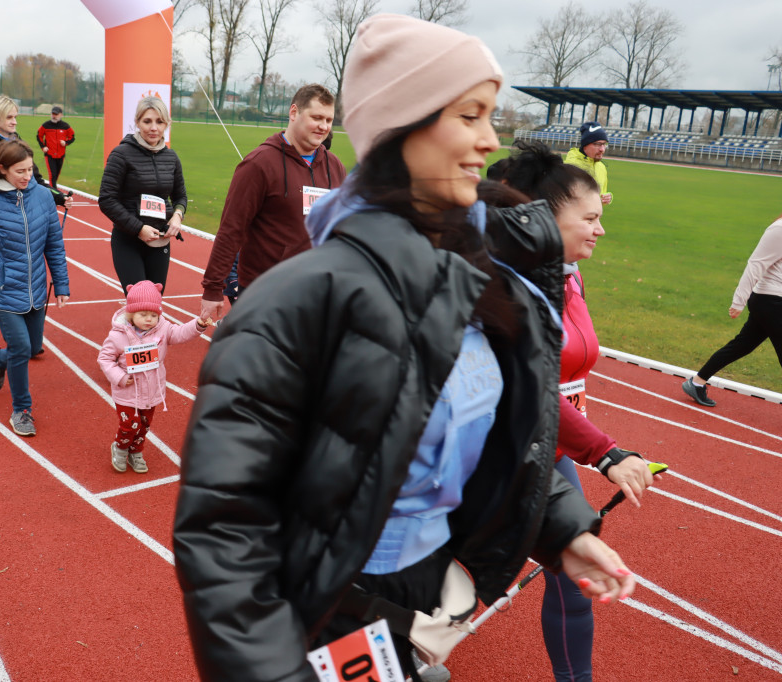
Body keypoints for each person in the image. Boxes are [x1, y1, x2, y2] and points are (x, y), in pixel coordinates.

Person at [173, 14, 635, 682]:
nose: (490, 139)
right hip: (330, 605)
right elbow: (222, 532)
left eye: (491, 116)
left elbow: (505, 429)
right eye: (470, 115)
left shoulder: (481, 276)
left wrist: (560, 529)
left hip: (430, 586)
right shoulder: (296, 303)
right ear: (402, 125)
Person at [495, 142, 655, 682]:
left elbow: (560, 382)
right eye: (589, 217)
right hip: (500, 449)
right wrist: (607, 452)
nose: (600, 229)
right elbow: (529, 391)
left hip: (551, 448)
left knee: (572, 572)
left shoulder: (566, 275)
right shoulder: (504, 290)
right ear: (544, 217)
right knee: (452, 576)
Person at [197, 84, 347, 322]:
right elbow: (231, 229)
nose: (324, 126)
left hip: (316, 291)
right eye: (317, 117)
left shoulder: (334, 166)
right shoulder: (258, 164)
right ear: (294, 113)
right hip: (264, 293)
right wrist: (213, 287)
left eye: (329, 120)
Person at [0, 140, 70, 437]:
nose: (27, 176)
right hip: (3, 289)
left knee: (30, 348)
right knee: (20, 346)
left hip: (35, 289)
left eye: (30, 169)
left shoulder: (44, 197)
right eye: (20, 170)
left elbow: (55, 245)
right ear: (2, 169)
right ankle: (22, 409)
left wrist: (61, 284)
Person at [0, 95, 66, 334]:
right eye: (9, 117)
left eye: (16, 116)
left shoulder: (18, 143)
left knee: (17, 266)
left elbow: (36, 180)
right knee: (0, 269)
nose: (15, 121)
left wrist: (59, 197)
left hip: (22, 212)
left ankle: (26, 336)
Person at [98, 280, 210, 474]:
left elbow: (181, 333)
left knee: (144, 425)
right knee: (130, 424)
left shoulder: (164, 330)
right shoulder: (118, 335)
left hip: (151, 390)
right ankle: (121, 447)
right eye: (143, 315)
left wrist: (198, 324)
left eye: (153, 315)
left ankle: (136, 451)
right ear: (131, 314)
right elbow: (104, 358)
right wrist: (120, 377)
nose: (149, 319)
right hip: (128, 391)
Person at [682, 213, 782, 407]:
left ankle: (697, 382)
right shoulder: (779, 229)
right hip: (771, 302)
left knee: (742, 345)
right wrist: (739, 301)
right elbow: (756, 263)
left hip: (772, 302)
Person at [98, 96, 187, 294]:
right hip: (129, 241)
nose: (153, 127)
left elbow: (180, 197)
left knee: (153, 304)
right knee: (139, 301)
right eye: (147, 121)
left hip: (160, 241)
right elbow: (106, 199)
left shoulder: (171, 157)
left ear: (166, 124)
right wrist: (138, 229)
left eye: (159, 121)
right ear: (137, 122)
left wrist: (177, 217)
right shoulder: (121, 154)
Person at [564, 121, 612, 205]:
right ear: (585, 145)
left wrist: (605, 198)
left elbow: (598, 197)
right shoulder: (572, 167)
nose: (602, 149)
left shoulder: (601, 167)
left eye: (604, 144)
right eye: (597, 144)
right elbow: (565, 200)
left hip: (593, 217)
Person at [36, 105, 75, 188]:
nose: (54, 116)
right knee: (52, 175)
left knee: (56, 174)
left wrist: (66, 142)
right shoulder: (46, 125)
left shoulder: (65, 126)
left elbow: (72, 137)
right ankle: (55, 193)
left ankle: (53, 190)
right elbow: (39, 135)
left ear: (61, 115)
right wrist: (43, 147)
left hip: (61, 155)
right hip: (49, 154)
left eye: (56, 114)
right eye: (53, 114)